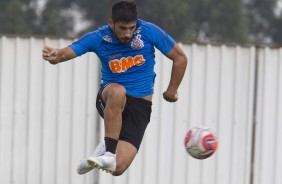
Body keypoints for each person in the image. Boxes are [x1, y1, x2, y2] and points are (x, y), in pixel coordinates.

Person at [42, 0, 187, 176]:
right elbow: (65, 53)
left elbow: (180, 58)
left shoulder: (149, 32)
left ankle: (106, 146)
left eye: (131, 28)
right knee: (119, 91)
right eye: (122, 28)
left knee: (117, 169)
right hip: (110, 98)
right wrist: (55, 55)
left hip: (140, 107)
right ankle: (109, 151)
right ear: (111, 23)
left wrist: (172, 90)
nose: (127, 34)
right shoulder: (99, 38)